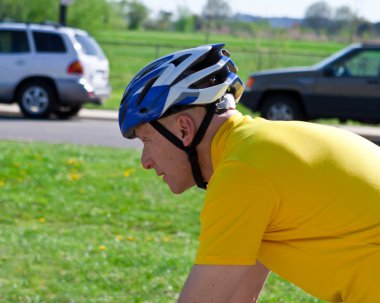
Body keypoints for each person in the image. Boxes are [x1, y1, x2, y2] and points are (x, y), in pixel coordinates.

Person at [118, 43, 380, 303]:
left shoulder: (242, 172)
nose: (145, 162)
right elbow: (238, 297)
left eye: (146, 141)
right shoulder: (259, 150)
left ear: (184, 129)